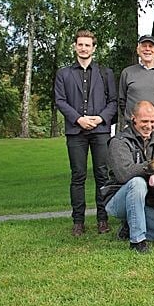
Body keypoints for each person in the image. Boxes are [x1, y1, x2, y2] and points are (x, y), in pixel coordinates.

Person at [54, 29, 117, 236]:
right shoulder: (64, 74)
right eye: (80, 44)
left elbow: (113, 102)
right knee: (78, 176)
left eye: (87, 45)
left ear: (94, 48)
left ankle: (102, 219)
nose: (83, 48)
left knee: (102, 175)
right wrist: (78, 119)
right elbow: (60, 101)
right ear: (75, 46)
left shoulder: (105, 73)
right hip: (75, 131)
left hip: (100, 130)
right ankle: (78, 221)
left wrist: (99, 118)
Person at [104, 101, 154, 254]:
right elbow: (124, 174)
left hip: (146, 203)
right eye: (144, 121)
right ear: (133, 118)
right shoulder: (119, 142)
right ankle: (137, 242)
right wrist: (153, 166)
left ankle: (130, 227)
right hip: (117, 201)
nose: (149, 126)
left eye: (153, 121)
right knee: (137, 182)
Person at [118, 34, 154, 144]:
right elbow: (122, 101)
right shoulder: (127, 73)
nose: (147, 49)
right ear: (138, 50)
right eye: (144, 46)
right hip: (135, 130)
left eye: (151, 46)